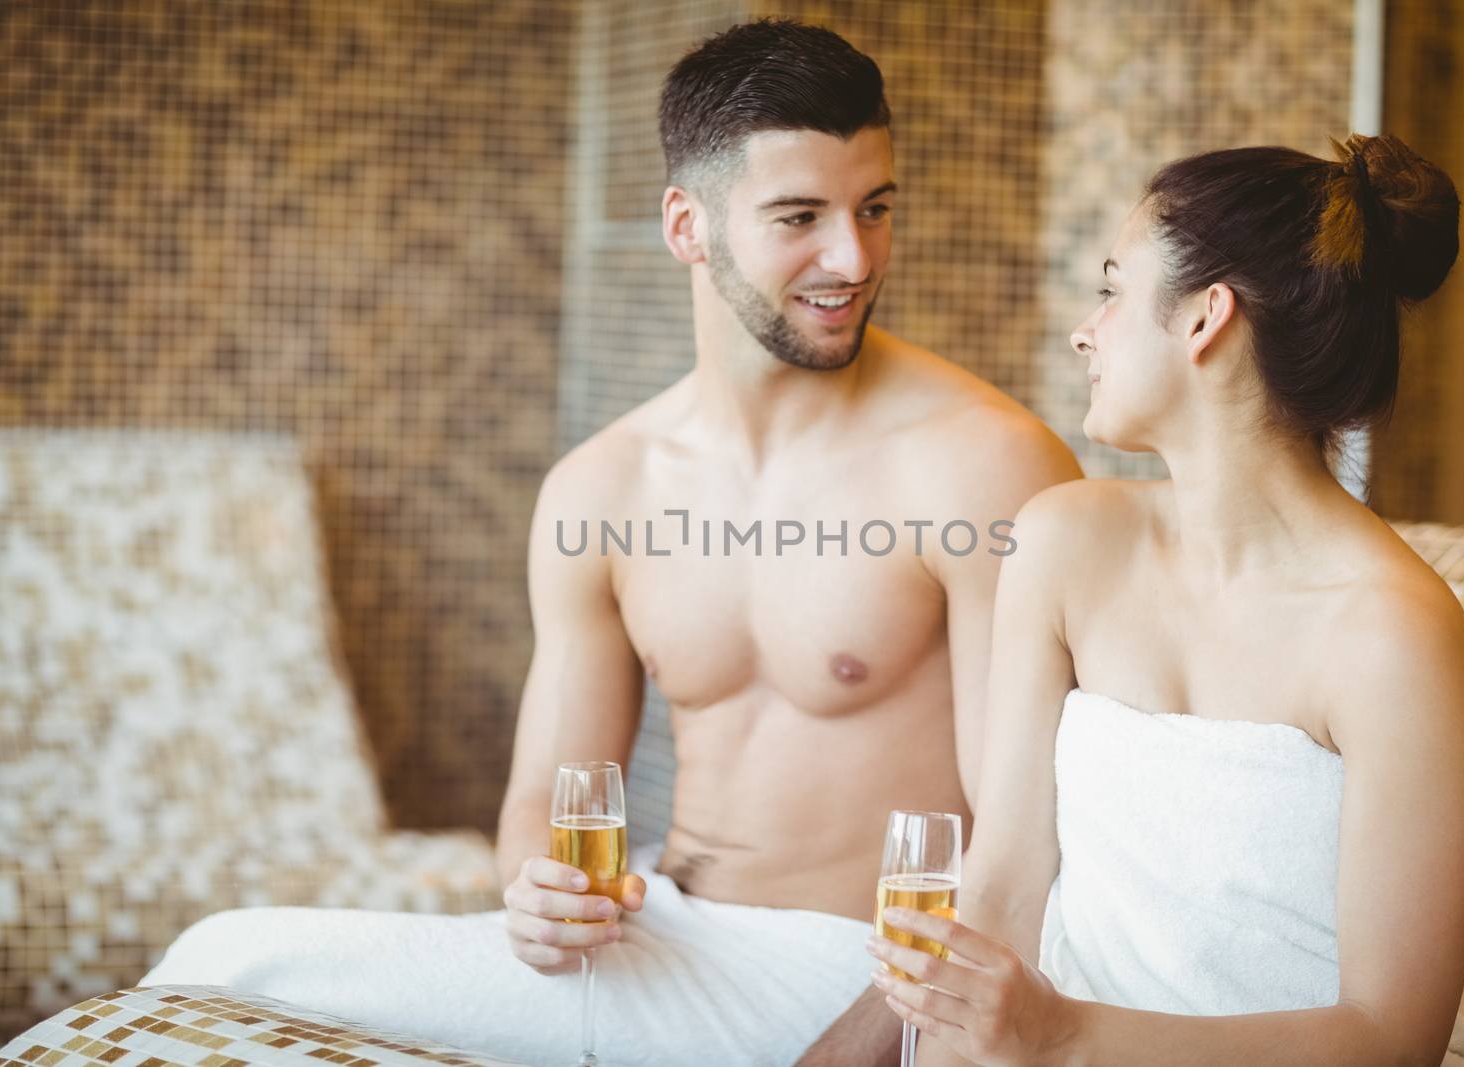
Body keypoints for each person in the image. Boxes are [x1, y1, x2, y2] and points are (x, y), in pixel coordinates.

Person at [142, 19, 1079, 1067]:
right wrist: (539, 896)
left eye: (875, 208)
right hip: (661, 941)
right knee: (217, 955)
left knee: (228, 958)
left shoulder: (981, 464)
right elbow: (547, 800)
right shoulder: (603, 486)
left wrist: (873, 1037)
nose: (852, 257)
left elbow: (1027, 833)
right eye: (798, 216)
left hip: (855, 969)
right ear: (687, 225)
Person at [861, 134, 1464, 1066]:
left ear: (1205, 319)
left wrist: (1063, 1035)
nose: (1087, 328)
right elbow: (1001, 892)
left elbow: (1392, 1037)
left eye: (1113, 289)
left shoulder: (1392, 634)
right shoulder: (1064, 543)